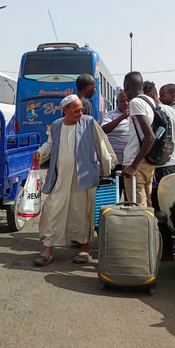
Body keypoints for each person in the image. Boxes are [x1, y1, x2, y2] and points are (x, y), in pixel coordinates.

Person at [32, 94, 116, 266]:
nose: (80, 112)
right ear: (66, 110)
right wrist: (40, 153)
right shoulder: (56, 126)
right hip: (60, 177)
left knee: (82, 212)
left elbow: (102, 145)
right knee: (52, 210)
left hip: (83, 177)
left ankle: (84, 249)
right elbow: (50, 144)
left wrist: (107, 167)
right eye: (76, 110)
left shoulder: (89, 122)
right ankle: (48, 250)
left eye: (81, 110)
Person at [144, 81, 175, 260]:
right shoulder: (173, 111)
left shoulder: (151, 111)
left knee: (160, 211)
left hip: (160, 166)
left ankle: (166, 251)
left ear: (149, 96)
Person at [121, 72, 156, 206]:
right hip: (148, 160)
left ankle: (141, 228)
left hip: (135, 161)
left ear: (128, 86)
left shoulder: (136, 102)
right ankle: (150, 227)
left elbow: (150, 136)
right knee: (147, 202)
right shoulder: (150, 101)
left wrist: (133, 166)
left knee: (137, 207)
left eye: (125, 88)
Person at [101, 90, 130, 198]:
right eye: (123, 101)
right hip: (115, 164)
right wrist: (122, 117)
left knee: (130, 198)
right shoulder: (110, 115)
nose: (126, 103)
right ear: (117, 102)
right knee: (114, 197)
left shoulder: (137, 114)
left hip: (130, 164)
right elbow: (104, 129)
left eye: (128, 100)